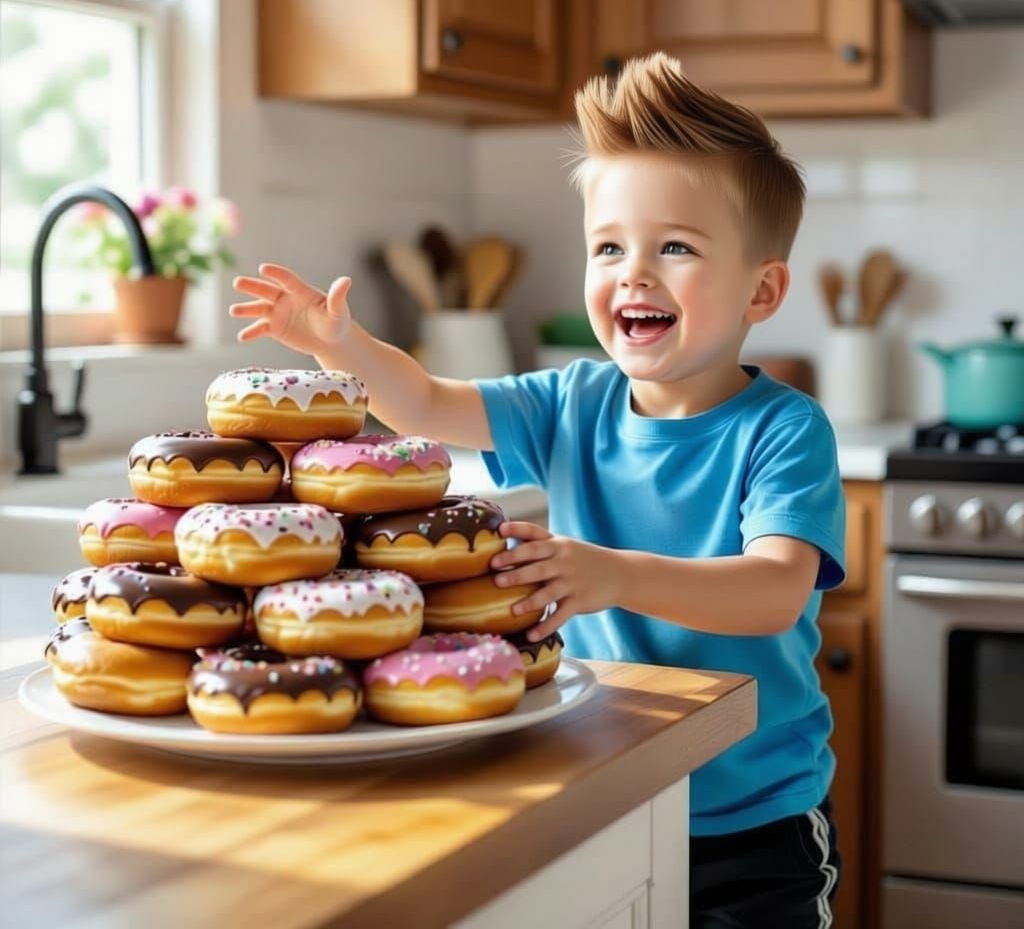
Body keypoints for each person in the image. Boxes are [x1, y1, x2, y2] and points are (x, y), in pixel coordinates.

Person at [230, 52, 845, 928]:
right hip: (607, 790)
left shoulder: (784, 430)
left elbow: (775, 592)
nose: (633, 272)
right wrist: (342, 347)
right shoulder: (573, 400)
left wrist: (613, 574)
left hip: (753, 825)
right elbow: (430, 405)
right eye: (608, 247)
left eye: (675, 246)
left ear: (764, 288)